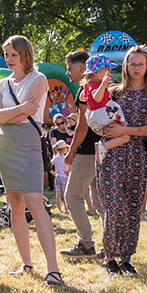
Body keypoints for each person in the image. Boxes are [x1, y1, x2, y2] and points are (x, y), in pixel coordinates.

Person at [0, 35, 62, 287]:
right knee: (15, 206)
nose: (9, 59)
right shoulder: (1, 84)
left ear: (24, 54)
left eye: (13, 55)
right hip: (6, 143)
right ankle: (27, 262)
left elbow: (30, 112)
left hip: (29, 141)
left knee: (35, 204)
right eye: (6, 54)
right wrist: (18, 110)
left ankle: (53, 270)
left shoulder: (38, 78)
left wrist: (9, 113)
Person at [98, 46, 147, 276]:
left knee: (133, 208)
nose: (136, 68)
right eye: (132, 64)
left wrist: (126, 130)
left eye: (141, 64)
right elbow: (98, 119)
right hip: (112, 155)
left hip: (136, 156)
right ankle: (109, 256)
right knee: (113, 207)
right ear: (125, 66)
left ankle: (126, 258)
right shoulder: (113, 92)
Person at [61, 51, 103, 260]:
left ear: (81, 69)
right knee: (101, 201)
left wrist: (70, 151)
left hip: (87, 152)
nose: (67, 73)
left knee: (73, 196)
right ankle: (111, 245)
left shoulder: (84, 90)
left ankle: (86, 244)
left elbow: (82, 126)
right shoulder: (97, 88)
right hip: (103, 150)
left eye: (69, 69)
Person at [81, 54, 129, 164]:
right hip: (102, 117)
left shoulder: (89, 85)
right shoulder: (96, 85)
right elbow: (97, 98)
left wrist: (106, 89)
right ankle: (104, 147)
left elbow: (85, 97)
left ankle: (105, 147)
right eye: (106, 71)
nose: (110, 74)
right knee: (125, 136)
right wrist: (103, 85)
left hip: (98, 117)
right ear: (95, 72)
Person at [52, 141, 70, 215]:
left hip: (57, 177)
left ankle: (60, 209)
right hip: (64, 177)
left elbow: (49, 165)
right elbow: (69, 167)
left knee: (58, 193)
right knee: (64, 193)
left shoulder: (56, 158)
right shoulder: (65, 158)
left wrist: (53, 172)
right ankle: (66, 209)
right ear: (64, 149)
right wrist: (68, 173)